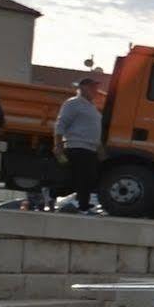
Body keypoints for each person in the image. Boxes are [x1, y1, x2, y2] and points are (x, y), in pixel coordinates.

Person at [53, 74, 103, 213]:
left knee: (89, 178)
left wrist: (100, 149)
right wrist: (58, 145)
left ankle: (84, 204)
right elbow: (61, 124)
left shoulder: (92, 107)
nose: (95, 90)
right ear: (82, 88)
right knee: (78, 178)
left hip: (90, 148)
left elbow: (94, 130)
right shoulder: (73, 103)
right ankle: (52, 194)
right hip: (77, 146)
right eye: (92, 87)